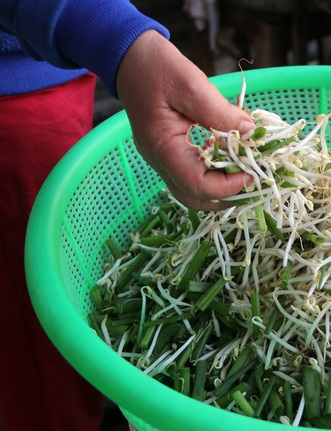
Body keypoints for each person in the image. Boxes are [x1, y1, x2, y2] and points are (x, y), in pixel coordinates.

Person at [0, 1, 254, 429]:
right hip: (16, 92)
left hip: (62, 50)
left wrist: (106, 39)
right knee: (35, 346)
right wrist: (120, 40)